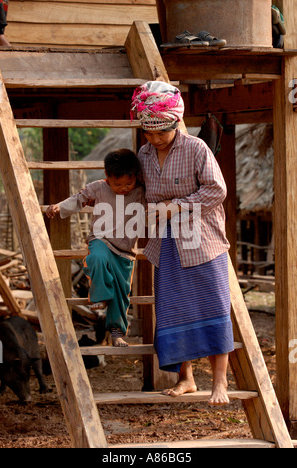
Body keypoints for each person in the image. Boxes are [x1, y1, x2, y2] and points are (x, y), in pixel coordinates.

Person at [131, 81, 234, 405]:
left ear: (176, 123)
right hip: (168, 242)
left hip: (203, 241)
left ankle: (220, 383)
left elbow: (217, 190)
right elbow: (139, 193)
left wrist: (179, 205)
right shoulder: (144, 155)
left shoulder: (196, 149)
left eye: (161, 132)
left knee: (213, 307)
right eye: (149, 133)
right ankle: (186, 378)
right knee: (174, 310)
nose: (155, 139)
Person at [46, 149, 145, 347]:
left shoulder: (141, 191)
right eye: (117, 184)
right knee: (97, 258)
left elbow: (160, 200)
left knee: (122, 293)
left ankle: (116, 332)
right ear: (107, 177)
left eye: (128, 184)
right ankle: (99, 295)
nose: (123, 188)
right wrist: (59, 206)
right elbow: (79, 198)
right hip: (101, 239)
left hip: (126, 250)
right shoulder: (99, 187)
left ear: (136, 177)